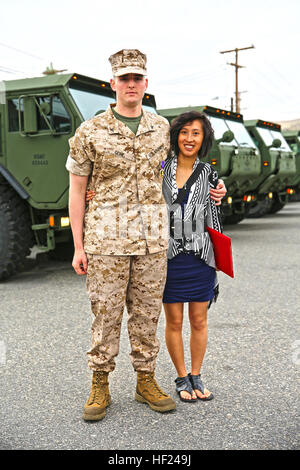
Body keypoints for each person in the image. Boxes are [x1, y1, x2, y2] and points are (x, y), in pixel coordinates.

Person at [67, 49, 226, 422]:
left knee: (146, 315)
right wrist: (77, 245)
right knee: (105, 314)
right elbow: (76, 189)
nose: (131, 84)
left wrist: (217, 189)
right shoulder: (90, 132)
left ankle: (145, 381)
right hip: (106, 240)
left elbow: (188, 163)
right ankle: (100, 383)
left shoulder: (161, 129)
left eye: (137, 78)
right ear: (113, 84)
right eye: (124, 78)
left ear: (146, 84)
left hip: (155, 241)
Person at [162, 111, 222, 403]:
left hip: (201, 256)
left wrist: (219, 265)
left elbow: (215, 216)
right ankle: (181, 376)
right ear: (176, 136)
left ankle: (197, 375)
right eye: (184, 132)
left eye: (195, 133)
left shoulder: (210, 173)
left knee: (199, 320)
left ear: (203, 138)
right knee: (174, 321)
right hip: (168, 257)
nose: (189, 139)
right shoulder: (160, 168)